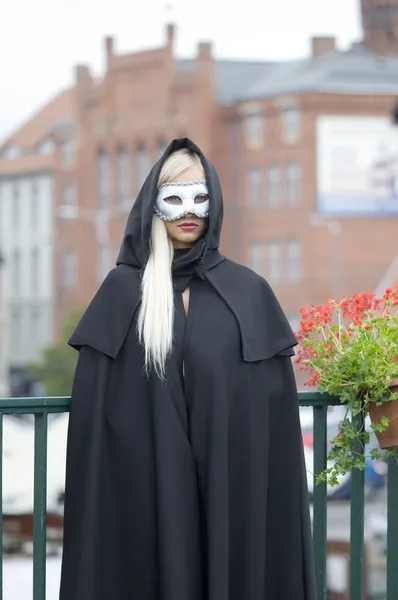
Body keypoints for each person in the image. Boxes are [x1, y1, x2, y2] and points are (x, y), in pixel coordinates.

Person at [59, 138, 316, 600]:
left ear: (214, 200)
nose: (188, 210)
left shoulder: (248, 292)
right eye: (174, 198)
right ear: (154, 206)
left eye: (200, 196)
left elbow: (271, 418)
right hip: (144, 491)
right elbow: (96, 422)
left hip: (232, 486)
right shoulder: (123, 293)